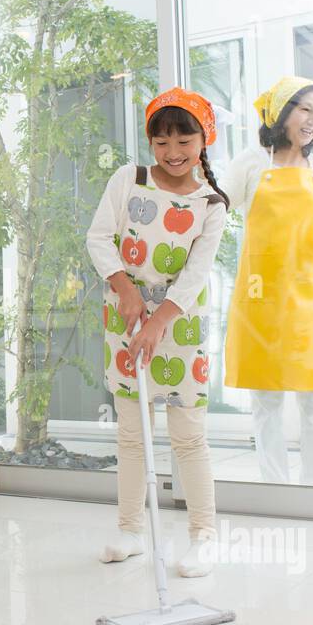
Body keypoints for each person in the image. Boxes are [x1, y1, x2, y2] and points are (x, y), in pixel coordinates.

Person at [85, 87, 228, 577]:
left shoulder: (212, 204)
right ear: (150, 143)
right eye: (161, 141)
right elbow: (99, 237)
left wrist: (160, 319)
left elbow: (196, 273)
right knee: (131, 433)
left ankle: (203, 537)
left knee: (188, 435)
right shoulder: (130, 180)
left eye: (184, 140)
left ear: (203, 140)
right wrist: (124, 291)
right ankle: (130, 530)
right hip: (124, 317)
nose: (172, 153)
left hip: (180, 322)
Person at [220, 77, 313, 486]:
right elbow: (216, 209)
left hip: (309, 296)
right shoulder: (253, 162)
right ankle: (275, 488)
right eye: (305, 109)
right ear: (282, 112)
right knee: (266, 403)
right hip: (261, 296)